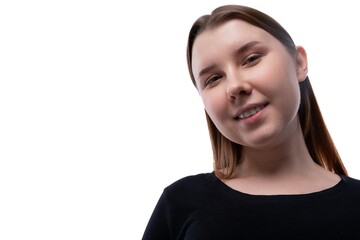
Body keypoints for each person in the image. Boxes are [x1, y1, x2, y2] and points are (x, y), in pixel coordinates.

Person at [142, 4, 360, 239]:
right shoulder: (180, 203)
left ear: (298, 63)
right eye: (214, 79)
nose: (235, 86)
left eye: (251, 59)